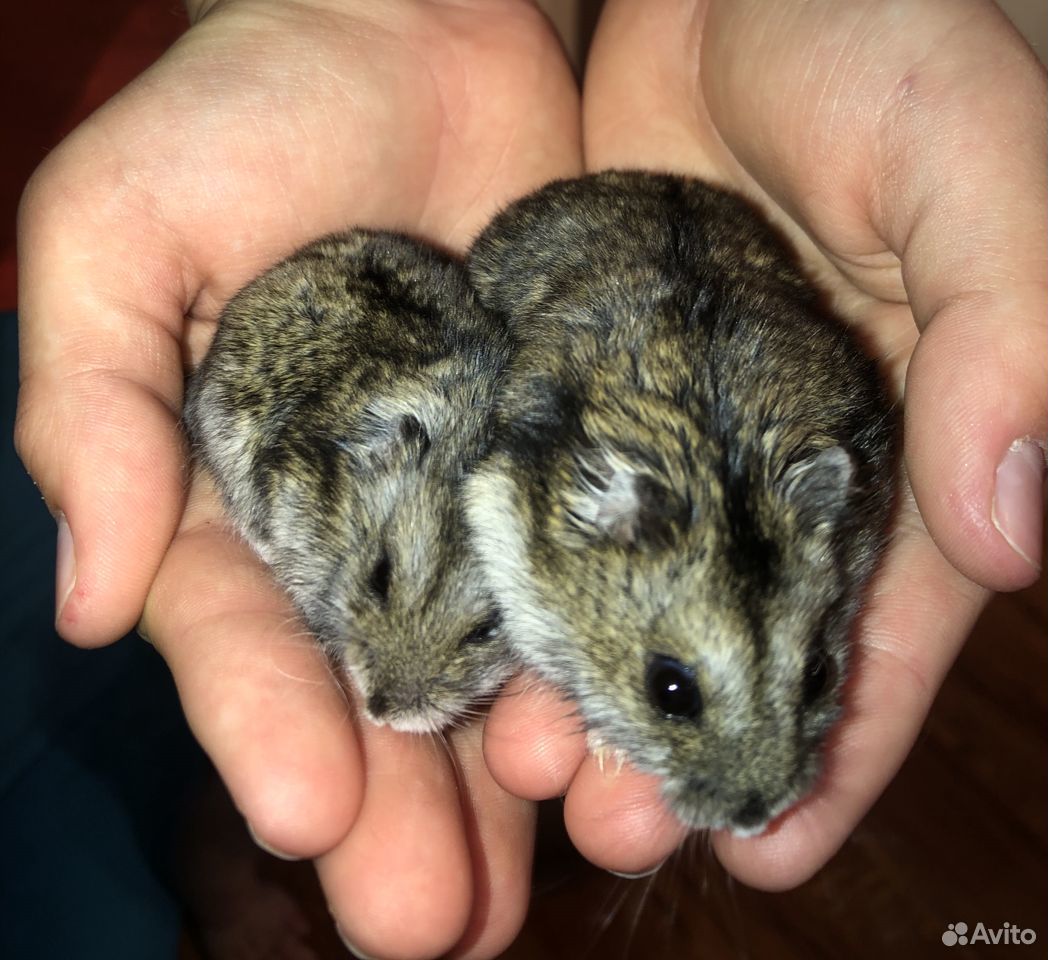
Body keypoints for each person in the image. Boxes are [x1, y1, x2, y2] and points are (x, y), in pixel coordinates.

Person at [15, 0, 1046, 957]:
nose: (759, 798)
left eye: (820, 676)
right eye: (673, 689)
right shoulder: (539, 474)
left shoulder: (827, 480)